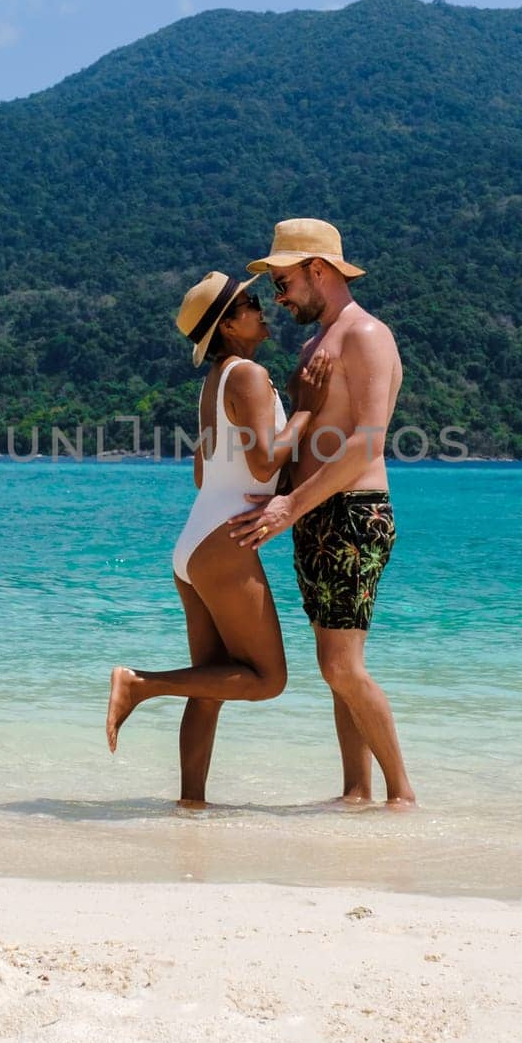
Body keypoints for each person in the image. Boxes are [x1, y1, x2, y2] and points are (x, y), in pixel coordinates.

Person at [105, 270, 330, 806]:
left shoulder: (215, 382)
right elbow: (263, 459)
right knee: (267, 679)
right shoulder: (248, 375)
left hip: (195, 542)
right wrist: (304, 408)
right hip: (224, 544)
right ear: (228, 326)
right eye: (250, 304)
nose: (261, 308)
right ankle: (140, 684)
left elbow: (204, 474)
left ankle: (191, 805)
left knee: (209, 684)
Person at [229, 218, 416, 807]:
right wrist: (280, 494)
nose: (278, 298)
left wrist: (291, 503)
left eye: (282, 282)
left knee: (341, 665)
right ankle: (356, 794)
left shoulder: (366, 334)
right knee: (332, 666)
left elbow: (367, 442)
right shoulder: (317, 343)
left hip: (354, 513)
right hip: (312, 516)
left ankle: (402, 796)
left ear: (318, 270)